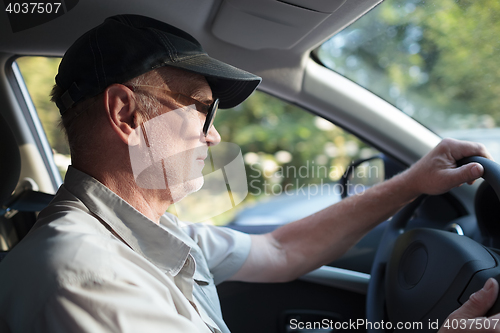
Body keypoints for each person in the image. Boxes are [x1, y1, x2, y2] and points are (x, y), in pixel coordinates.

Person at [0, 14, 498, 333]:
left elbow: (280, 251)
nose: (213, 135)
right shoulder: (82, 273)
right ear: (126, 116)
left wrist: (412, 182)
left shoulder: (145, 231)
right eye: (201, 109)